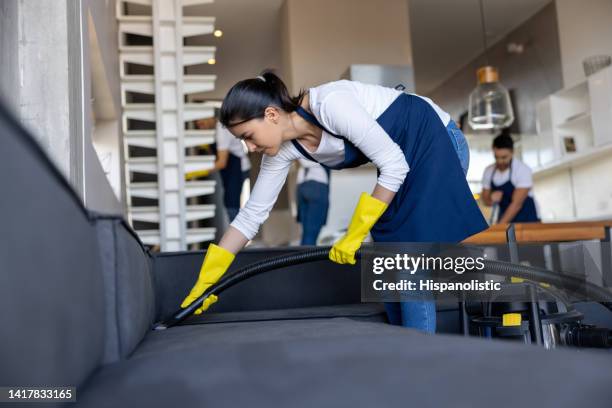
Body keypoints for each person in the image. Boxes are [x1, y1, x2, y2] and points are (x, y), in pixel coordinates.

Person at [180, 71, 488, 333]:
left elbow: (394, 165)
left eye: (248, 135)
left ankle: (421, 360)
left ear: (271, 114)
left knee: (406, 259)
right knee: (388, 257)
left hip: (435, 139)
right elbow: (250, 217)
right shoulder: (284, 150)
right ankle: (401, 342)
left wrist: (354, 234)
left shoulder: (330, 104)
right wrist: (207, 279)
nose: (248, 148)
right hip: (403, 159)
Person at [186, 120, 251, 222]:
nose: (199, 125)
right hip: (230, 170)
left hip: (237, 169)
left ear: (210, 115)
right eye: (197, 123)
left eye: (201, 121)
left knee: (232, 205)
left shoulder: (222, 129)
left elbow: (221, 162)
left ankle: (238, 235)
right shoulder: (215, 129)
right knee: (229, 203)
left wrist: (196, 172)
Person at [481, 132, 540, 224]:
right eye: (497, 157)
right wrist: (491, 199)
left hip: (528, 221)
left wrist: (499, 227)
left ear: (512, 152)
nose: (500, 161)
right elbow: (485, 200)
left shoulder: (522, 170)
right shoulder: (489, 171)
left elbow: (516, 205)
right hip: (506, 222)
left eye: (504, 157)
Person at [296, 158, 330, 245]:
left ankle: (300, 257)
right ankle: (306, 258)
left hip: (301, 184)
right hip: (317, 184)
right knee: (311, 234)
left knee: (306, 234)